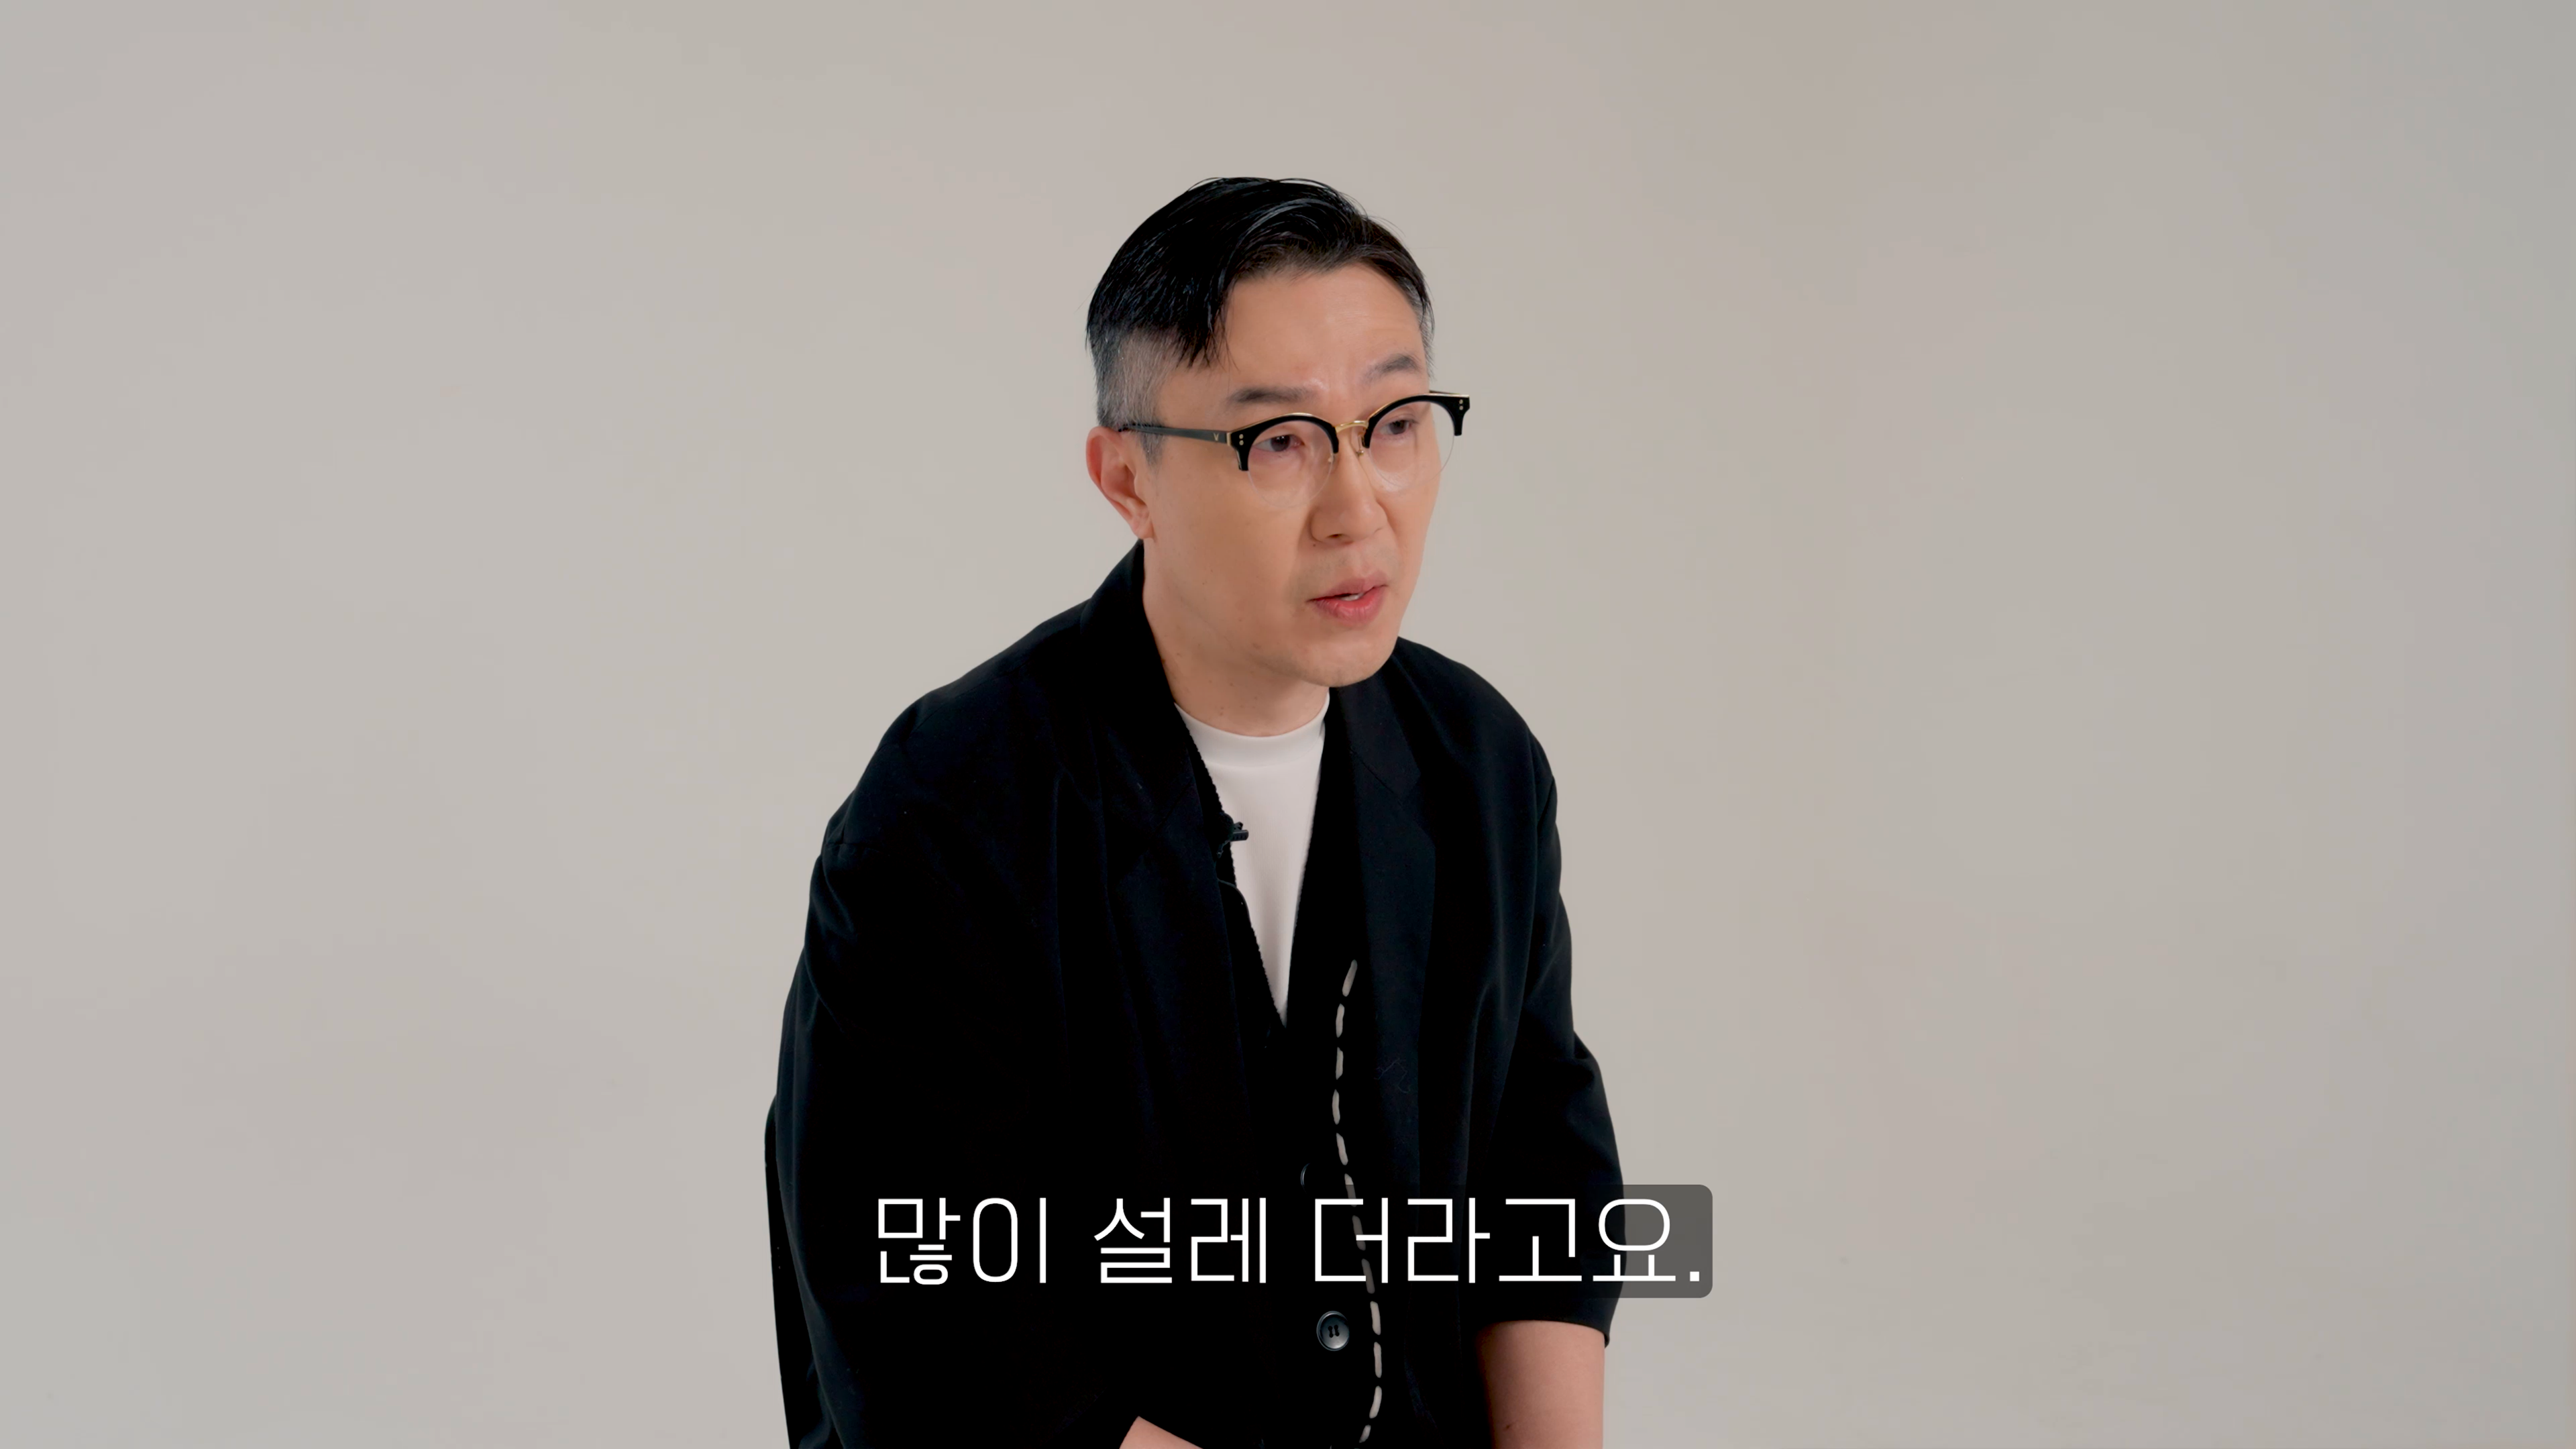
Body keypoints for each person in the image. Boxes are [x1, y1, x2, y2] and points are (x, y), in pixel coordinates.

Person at [765, 178, 1622, 1449]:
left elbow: (1536, 1174)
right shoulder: (953, 807)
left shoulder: (1477, 760)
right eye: (1278, 441)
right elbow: (932, 1320)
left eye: (1395, 424)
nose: (1357, 507)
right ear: (1129, 479)